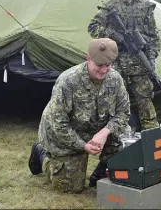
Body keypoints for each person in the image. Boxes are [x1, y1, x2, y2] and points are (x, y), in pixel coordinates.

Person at [28, 38, 130, 193]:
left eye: (108, 65)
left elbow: (123, 112)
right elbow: (58, 124)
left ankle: (102, 170)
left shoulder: (115, 79)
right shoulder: (68, 81)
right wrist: (83, 146)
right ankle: (42, 154)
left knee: (126, 140)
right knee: (70, 187)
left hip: (98, 130)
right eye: (99, 65)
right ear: (88, 58)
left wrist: (104, 133)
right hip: (66, 136)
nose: (104, 70)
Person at [88, 0, 160, 132]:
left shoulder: (145, 6)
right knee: (113, 104)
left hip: (139, 65)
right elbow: (93, 27)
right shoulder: (110, 7)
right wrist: (115, 36)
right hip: (115, 64)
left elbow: (153, 38)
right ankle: (116, 138)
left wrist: (150, 60)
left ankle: (152, 141)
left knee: (146, 106)